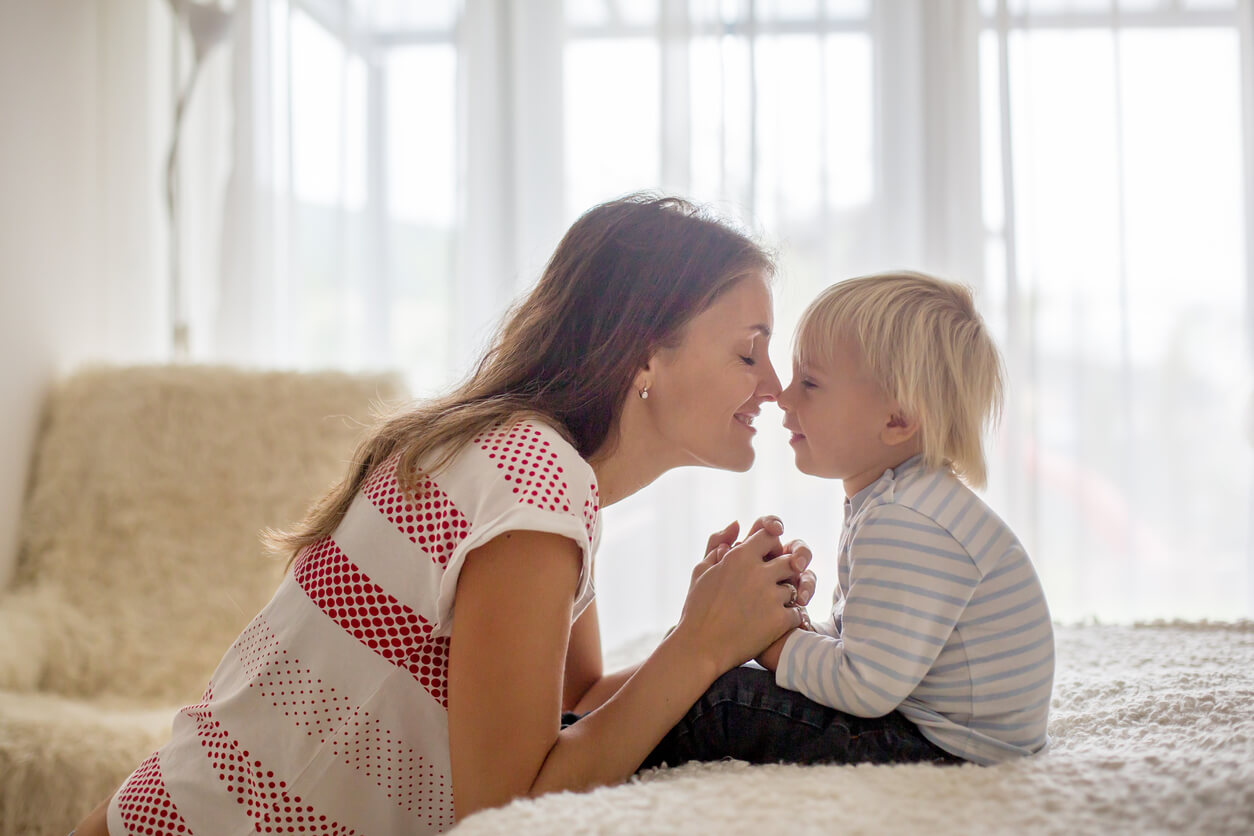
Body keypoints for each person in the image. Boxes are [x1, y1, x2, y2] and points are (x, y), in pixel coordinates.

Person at [72, 194, 817, 835]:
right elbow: (503, 814)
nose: (776, 387)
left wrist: (715, 630)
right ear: (644, 356)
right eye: (749, 353)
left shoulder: (526, 462)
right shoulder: (535, 482)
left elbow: (577, 700)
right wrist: (697, 645)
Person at [642, 270, 1055, 769]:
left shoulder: (904, 520)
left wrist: (769, 642)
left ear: (897, 420)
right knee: (726, 675)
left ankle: (613, 747)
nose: (784, 398)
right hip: (941, 725)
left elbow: (864, 684)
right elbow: (860, 643)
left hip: (947, 746)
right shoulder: (901, 501)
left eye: (810, 384)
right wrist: (789, 620)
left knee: (729, 700)